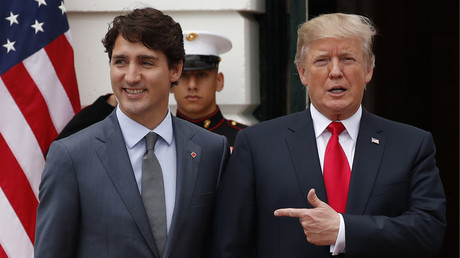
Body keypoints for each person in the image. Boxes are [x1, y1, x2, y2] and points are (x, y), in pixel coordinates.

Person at [211, 13, 446, 257]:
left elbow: (429, 231)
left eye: (347, 59)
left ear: (368, 70)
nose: (335, 71)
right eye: (322, 61)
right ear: (302, 73)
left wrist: (344, 230)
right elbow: (230, 245)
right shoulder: (258, 144)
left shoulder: (411, 145)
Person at [35, 7, 229, 258]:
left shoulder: (212, 150)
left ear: (175, 70)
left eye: (146, 62)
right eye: (120, 62)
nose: (131, 76)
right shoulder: (71, 156)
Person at [170, 31, 247, 146]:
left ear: (219, 81)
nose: (192, 85)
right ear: (171, 83)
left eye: (201, 75)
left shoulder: (244, 139)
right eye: (184, 75)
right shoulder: (158, 139)